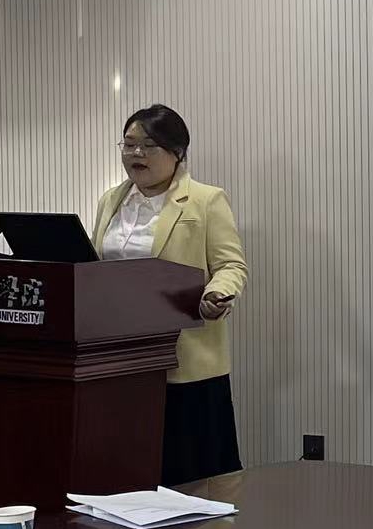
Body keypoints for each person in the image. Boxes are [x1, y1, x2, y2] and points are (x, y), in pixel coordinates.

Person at [91, 104, 249, 486]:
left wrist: (216, 295)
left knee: (193, 481)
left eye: (149, 146)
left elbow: (231, 265)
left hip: (184, 362)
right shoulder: (111, 200)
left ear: (177, 152)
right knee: (129, 476)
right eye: (129, 144)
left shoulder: (206, 200)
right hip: (120, 362)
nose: (136, 154)